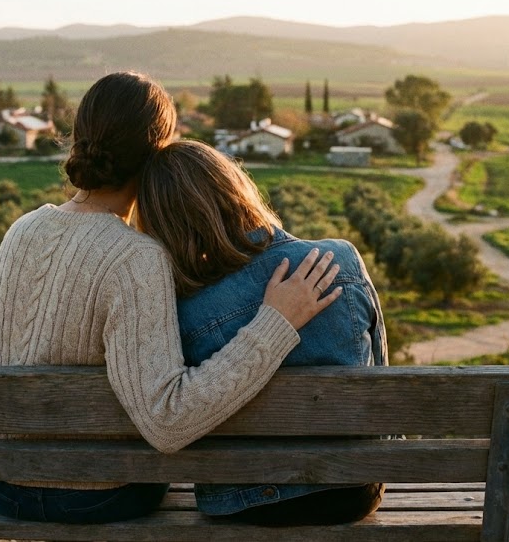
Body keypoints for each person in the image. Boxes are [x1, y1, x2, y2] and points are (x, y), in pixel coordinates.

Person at [0, 71, 343, 525]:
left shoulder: (21, 230)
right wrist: (275, 323)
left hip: (0, 484)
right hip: (96, 494)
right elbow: (168, 422)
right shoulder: (135, 258)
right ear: (159, 150)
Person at [136, 139, 388, 526]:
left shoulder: (179, 311)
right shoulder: (339, 261)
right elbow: (382, 379)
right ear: (235, 187)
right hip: (352, 488)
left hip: (239, 501)